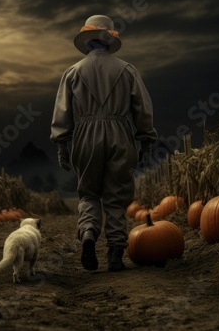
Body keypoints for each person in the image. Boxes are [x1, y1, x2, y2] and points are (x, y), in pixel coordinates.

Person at [50, 15, 158, 271]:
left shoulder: (72, 72)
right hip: (120, 135)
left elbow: (62, 114)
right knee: (116, 197)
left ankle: (88, 233)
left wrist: (63, 146)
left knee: (88, 193)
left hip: (85, 137)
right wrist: (146, 141)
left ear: (87, 42)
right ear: (110, 41)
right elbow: (142, 110)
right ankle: (115, 254)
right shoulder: (127, 70)